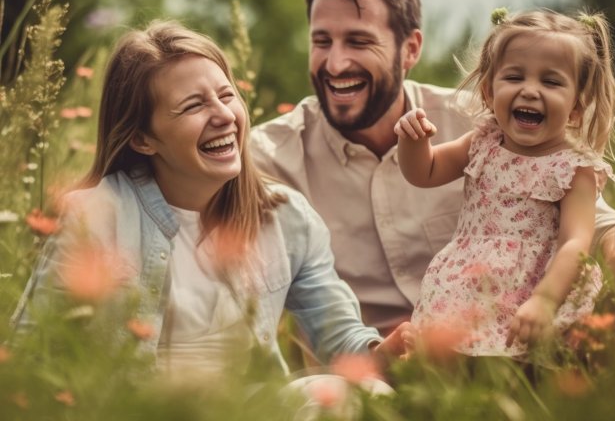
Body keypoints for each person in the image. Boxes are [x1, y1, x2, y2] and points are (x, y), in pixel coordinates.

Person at [249, 0, 615, 344]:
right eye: (322, 41)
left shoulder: (488, 118)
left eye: (359, 42)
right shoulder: (271, 155)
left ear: (410, 49)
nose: (336, 63)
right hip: (371, 361)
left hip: (503, 328)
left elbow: (588, 220)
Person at [11, 20, 409, 377]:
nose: (224, 115)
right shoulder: (94, 216)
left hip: (253, 409)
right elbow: (33, 351)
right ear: (142, 138)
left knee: (365, 398)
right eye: (194, 105)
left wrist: (387, 351)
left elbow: (340, 339)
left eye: (226, 95)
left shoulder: (288, 219)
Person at [396, 8, 615, 356]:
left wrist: (544, 301)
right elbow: (424, 172)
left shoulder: (574, 169)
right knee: (453, 366)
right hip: (466, 284)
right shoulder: (482, 142)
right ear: (488, 91)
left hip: (532, 289)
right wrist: (412, 142)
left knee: (521, 368)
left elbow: (576, 241)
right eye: (515, 77)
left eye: (551, 81)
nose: (530, 91)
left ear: (577, 106)